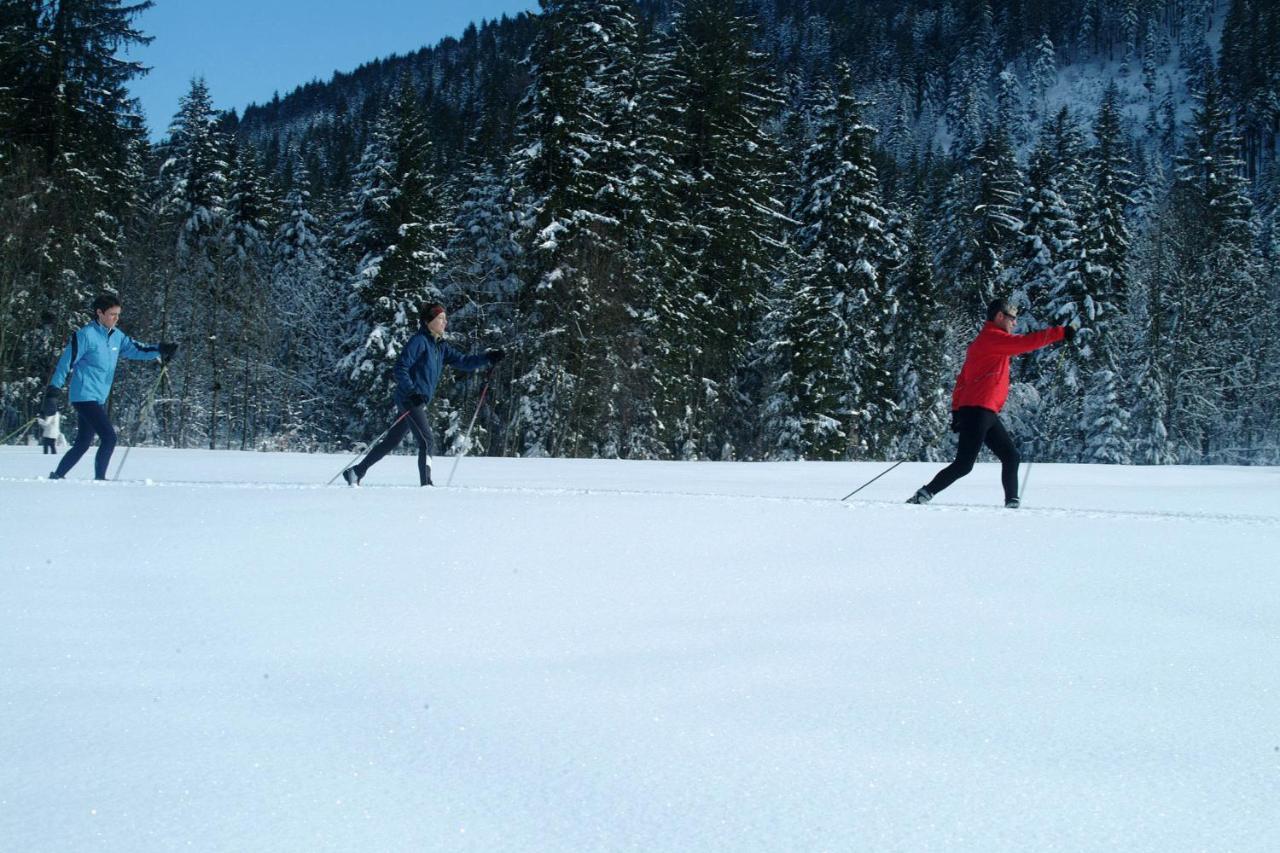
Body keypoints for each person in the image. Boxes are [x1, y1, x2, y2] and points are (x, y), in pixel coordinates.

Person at [907, 298, 1076, 508]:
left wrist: (957, 411)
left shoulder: (985, 341)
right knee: (964, 465)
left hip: (982, 411)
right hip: (978, 411)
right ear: (999, 316)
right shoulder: (992, 338)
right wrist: (1060, 333)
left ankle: (1012, 503)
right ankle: (923, 495)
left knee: (1011, 456)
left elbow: (963, 379)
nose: (1015, 323)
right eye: (1012, 319)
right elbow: (1024, 343)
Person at [343, 302, 504, 487]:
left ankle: (355, 472)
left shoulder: (440, 346)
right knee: (427, 440)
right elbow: (400, 367)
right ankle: (426, 484)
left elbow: (463, 361)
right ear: (429, 321)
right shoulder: (419, 341)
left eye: (445, 318)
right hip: (410, 398)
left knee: (391, 441)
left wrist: (487, 357)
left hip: (415, 399)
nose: (445, 322)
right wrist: (412, 392)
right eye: (440, 318)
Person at [41, 292, 178, 481]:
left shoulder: (116, 337)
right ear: (99, 313)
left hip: (98, 397)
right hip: (84, 396)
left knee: (83, 442)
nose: (116, 318)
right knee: (109, 437)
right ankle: (100, 480)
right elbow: (66, 363)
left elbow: (136, 349)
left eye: (118, 314)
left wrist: (160, 349)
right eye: (112, 314)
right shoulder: (84, 336)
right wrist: (53, 393)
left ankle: (57, 475)